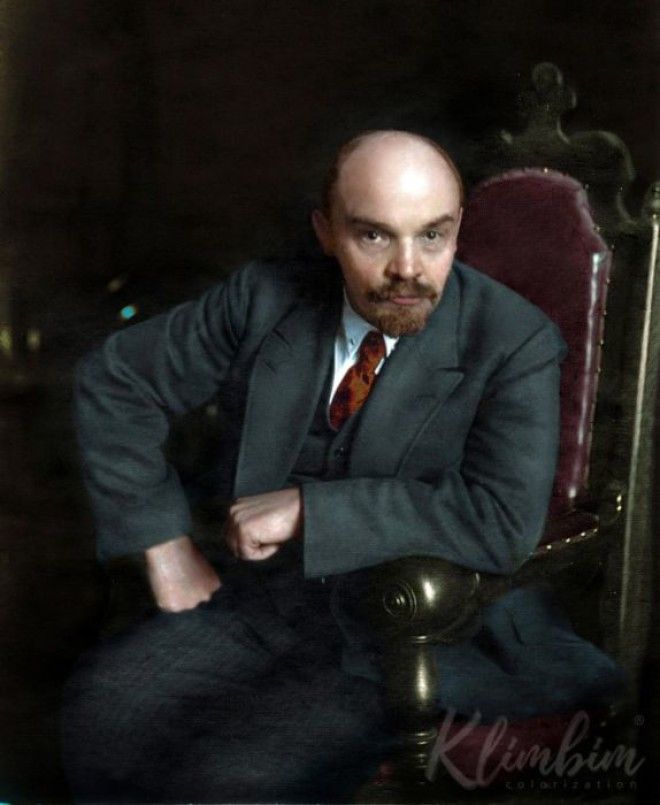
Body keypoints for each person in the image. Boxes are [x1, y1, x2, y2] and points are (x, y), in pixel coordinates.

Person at [61, 130, 623, 802]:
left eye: (433, 236)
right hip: (257, 607)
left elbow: (501, 520)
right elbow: (117, 381)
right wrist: (163, 544)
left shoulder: (514, 340)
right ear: (326, 233)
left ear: (457, 228)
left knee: (229, 780)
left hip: (410, 639)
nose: (408, 268)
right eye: (375, 236)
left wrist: (310, 509)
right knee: (97, 725)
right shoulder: (262, 298)